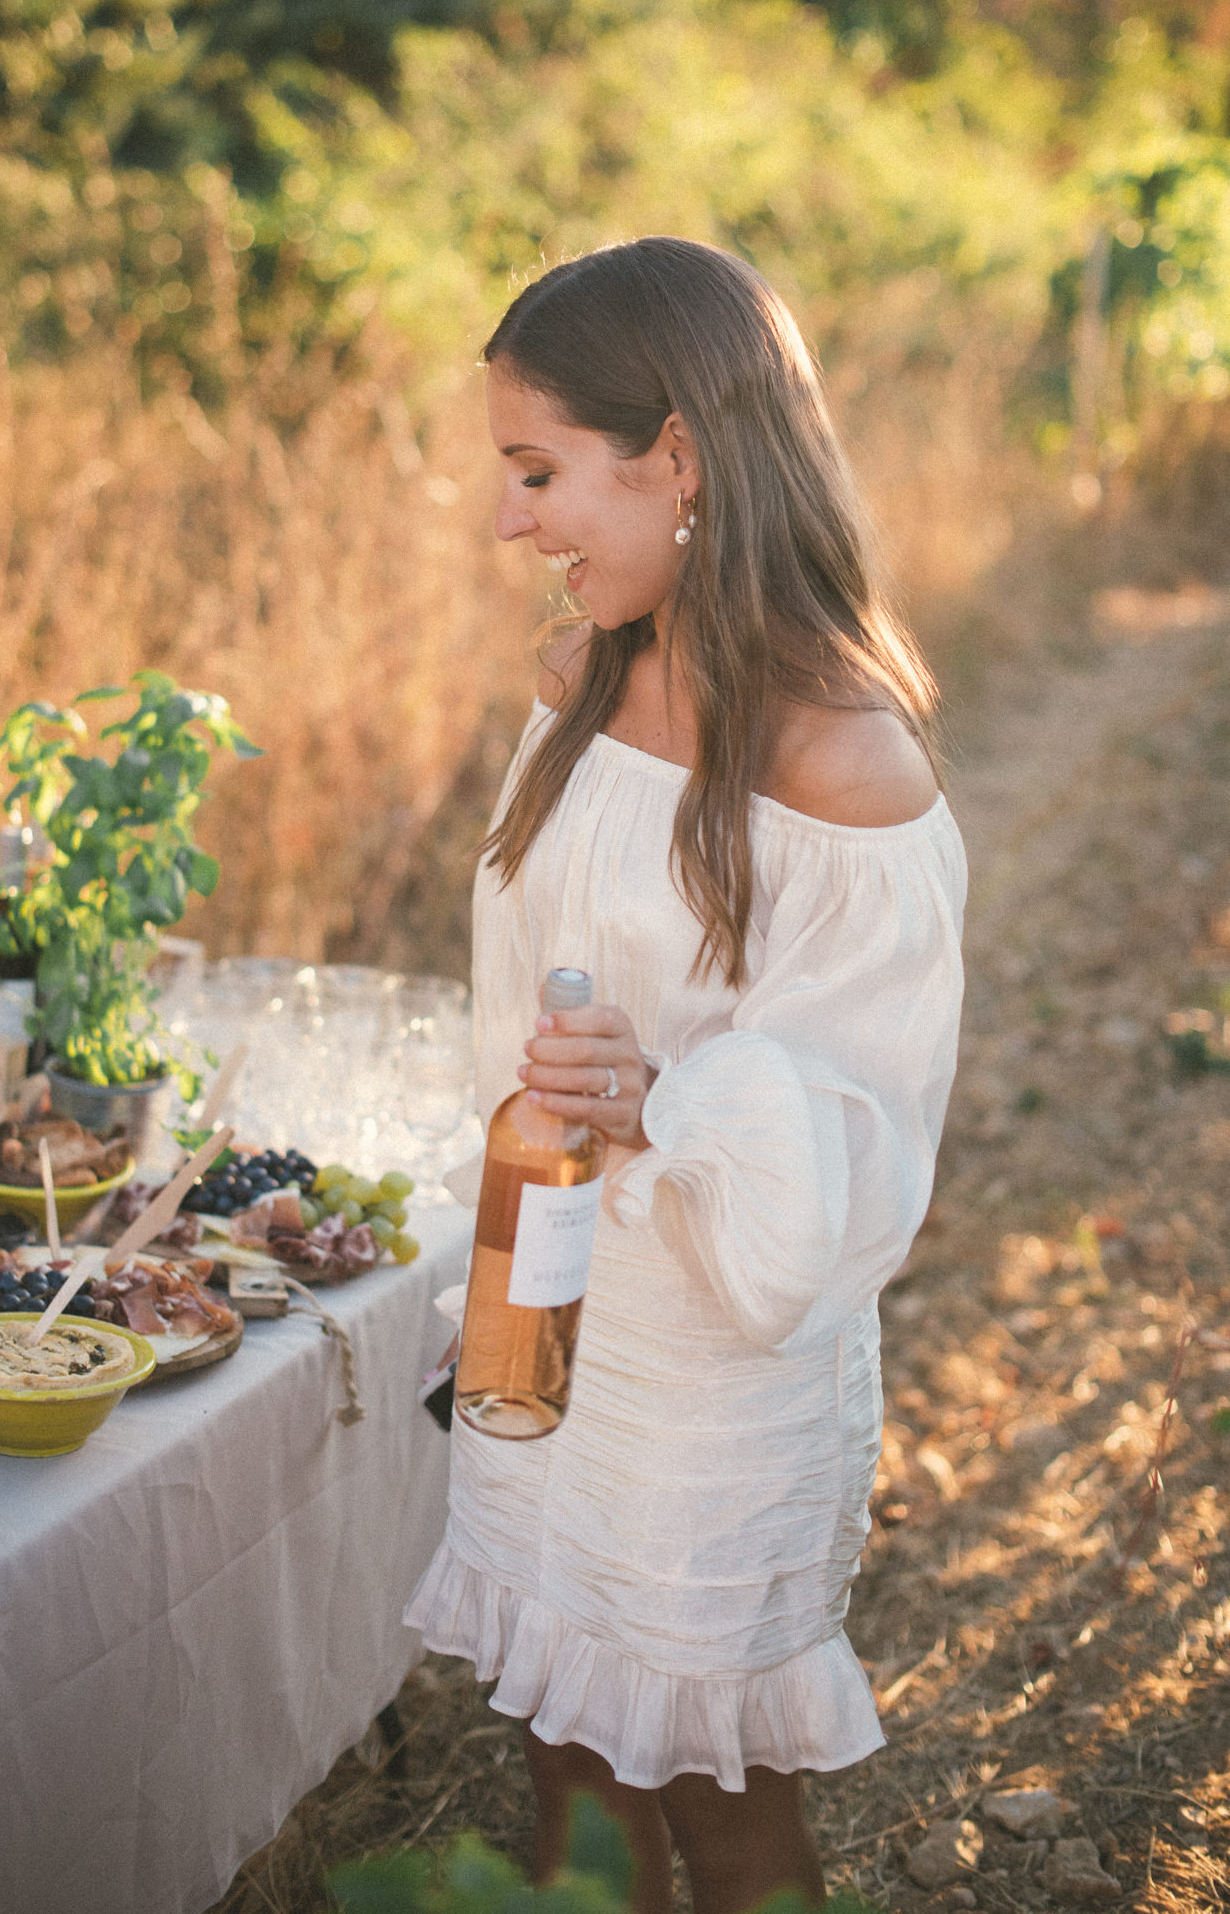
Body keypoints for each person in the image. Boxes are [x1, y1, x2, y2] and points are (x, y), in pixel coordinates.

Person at [405, 236, 966, 1914]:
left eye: (538, 471)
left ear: (678, 459)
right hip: (552, 1295)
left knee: (726, 1800)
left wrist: (669, 1100)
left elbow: (860, 1139)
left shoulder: (846, 765)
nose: (511, 521)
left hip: (724, 1362)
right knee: (562, 1756)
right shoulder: (581, 679)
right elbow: (521, 1001)